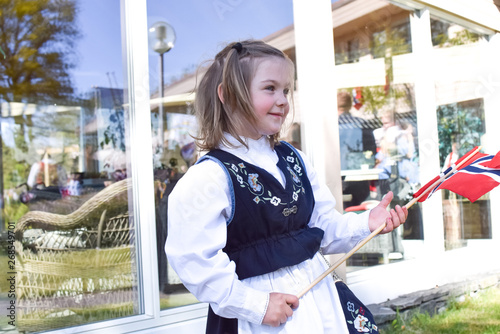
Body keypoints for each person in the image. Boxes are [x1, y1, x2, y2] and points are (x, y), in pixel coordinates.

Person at [165, 40, 408, 333]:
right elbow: (194, 261)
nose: (283, 100)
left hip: (318, 302)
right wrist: (257, 305)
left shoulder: (295, 159)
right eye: (270, 88)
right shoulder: (210, 177)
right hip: (258, 319)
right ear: (228, 95)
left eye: (286, 90)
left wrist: (367, 223)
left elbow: (322, 230)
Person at [337, 90, 377, 208]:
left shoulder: (333, 126)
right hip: (360, 178)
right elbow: (372, 151)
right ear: (350, 105)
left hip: (339, 179)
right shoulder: (362, 124)